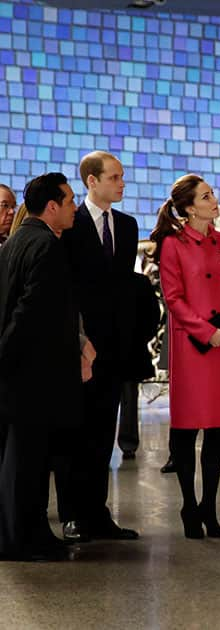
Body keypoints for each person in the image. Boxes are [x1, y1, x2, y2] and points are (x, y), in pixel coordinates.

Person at [151, 174, 220, 539]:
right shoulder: (172, 244)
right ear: (190, 207)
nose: (215, 200)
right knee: (186, 425)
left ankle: (209, 506)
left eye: (213, 194)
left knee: (216, 429)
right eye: (207, 196)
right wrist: (205, 331)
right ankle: (188, 504)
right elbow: (173, 299)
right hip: (194, 344)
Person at [0, 173, 85, 561]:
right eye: (69, 201)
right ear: (51, 206)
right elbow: (29, 314)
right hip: (34, 374)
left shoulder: (16, 241)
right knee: (29, 465)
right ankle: (25, 541)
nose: (73, 207)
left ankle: (27, 535)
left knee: (22, 461)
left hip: (20, 373)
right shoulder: (46, 247)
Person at [58, 151, 140, 543]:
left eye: (122, 176)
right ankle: (72, 513)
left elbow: (123, 287)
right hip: (79, 345)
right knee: (75, 430)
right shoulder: (69, 225)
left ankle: (97, 513)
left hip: (114, 347)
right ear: (92, 181)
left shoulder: (126, 226)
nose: (122, 183)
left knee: (104, 431)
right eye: (115, 177)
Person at [117, 271, 160, 460]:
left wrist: (141, 338)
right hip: (125, 350)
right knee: (127, 399)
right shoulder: (139, 282)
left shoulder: (140, 283)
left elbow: (153, 316)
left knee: (128, 398)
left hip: (129, 351)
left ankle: (128, 443)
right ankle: (127, 444)